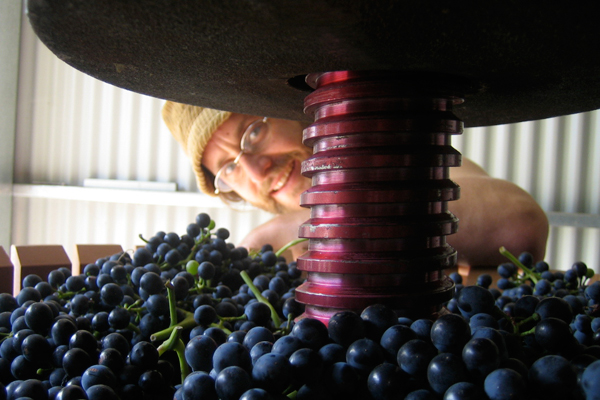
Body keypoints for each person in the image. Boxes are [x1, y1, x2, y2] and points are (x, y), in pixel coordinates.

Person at [162, 101, 549, 266]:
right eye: (228, 169)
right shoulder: (264, 261)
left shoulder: (399, 158)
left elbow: (519, 222)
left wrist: (303, 229)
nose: (256, 171)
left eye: (255, 132)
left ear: (294, 111)